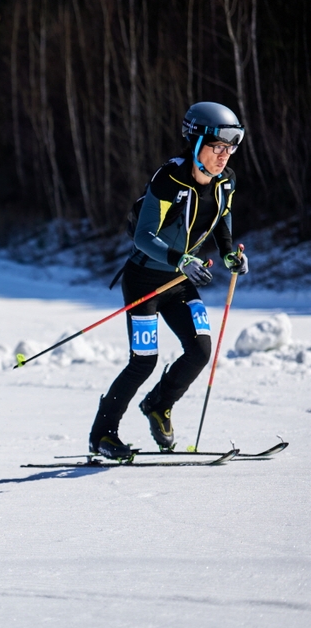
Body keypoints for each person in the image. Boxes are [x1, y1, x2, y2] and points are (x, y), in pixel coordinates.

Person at [90, 102, 249, 459]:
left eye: (230, 148)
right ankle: (102, 435)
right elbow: (144, 237)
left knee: (200, 350)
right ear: (196, 143)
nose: (224, 156)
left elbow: (223, 222)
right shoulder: (169, 179)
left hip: (179, 280)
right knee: (143, 361)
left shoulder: (226, 181)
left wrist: (229, 255)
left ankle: (159, 405)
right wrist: (182, 259)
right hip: (145, 281)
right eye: (216, 147)